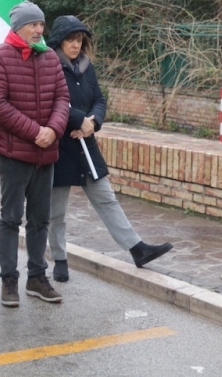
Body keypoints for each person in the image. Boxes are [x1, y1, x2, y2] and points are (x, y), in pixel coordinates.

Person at [46, 16, 173, 282]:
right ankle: (59, 259)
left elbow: (99, 98)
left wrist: (93, 121)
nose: (75, 45)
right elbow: (51, 100)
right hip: (59, 146)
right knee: (56, 211)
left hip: (86, 145)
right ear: (59, 41)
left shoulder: (85, 66)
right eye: (70, 40)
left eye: (79, 40)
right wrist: (78, 119)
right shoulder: (48, 65)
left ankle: (137, 249)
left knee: (106, 198)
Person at [0, 0, 70, 308]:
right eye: (33, 24)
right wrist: (36, 132)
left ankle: (37, 277)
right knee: (10, 219)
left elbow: (62, 98)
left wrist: (54, 130)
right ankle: (9, 279)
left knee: (40, 219)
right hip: (14, 155)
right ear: (18, 26)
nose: (39, 29)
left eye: (41, 24)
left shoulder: (50, 59)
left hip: (46, 154)